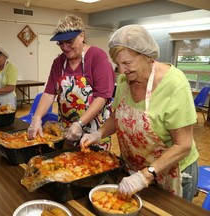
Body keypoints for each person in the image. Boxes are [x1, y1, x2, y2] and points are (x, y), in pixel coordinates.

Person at [80, 24, 199, 201]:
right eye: (118, 64)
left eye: (127, 63)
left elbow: (183, 145)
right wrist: (99, 133)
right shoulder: (123, 80)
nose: (121, 70)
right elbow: (117, 116)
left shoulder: (174, 84)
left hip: (171, 172)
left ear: (148, 57)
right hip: (133, 172)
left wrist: (147, 174)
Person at [27, 14, 115, 150]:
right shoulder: (58, 63)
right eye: (60, 43)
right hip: (66, 131)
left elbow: (102, 97)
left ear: (82, 36)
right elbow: (49, 94)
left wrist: (80, 123)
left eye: (69, 42)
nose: (65, 48)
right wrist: (37, 118)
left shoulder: (97, 57)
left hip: (94, 131)